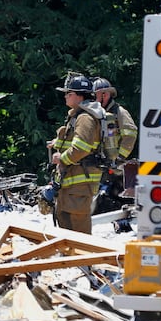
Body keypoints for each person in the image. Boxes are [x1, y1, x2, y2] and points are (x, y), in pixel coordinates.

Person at [47, 74, 103, 234]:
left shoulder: (85, 117)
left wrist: (61, 158)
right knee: (64, 223)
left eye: (69, 93)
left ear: (80, 96)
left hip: (79, 185)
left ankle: (84, 259)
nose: (65, 96)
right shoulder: (77, 115)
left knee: (78, 231)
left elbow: (81, 148)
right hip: (70, 184)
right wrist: (57, 143)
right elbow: (73, 141)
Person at [92, 77, 138, 161]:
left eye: (96, 95)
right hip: (97, 161)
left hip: (113, 163)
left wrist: (120, 157)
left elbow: (130, 134)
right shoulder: (95, 114)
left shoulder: (119, 112)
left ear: (104, 95)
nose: (94, 99)